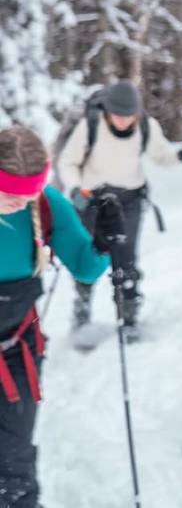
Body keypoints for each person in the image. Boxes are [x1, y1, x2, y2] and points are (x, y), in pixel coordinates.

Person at [0, 125, 125, 507]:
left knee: (14, 457)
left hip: (16, 348)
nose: (17, 205)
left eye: (26, 195)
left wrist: (104, 241)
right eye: (8, 194)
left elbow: (86, 267)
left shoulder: (45, 205)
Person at [56, 80, 182, 340]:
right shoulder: (90, 126)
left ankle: (128, 317)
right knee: (90, 254)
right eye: (117, 115)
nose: (122, 121)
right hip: (92, 199)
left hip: (128, 200)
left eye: (128, 115)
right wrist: (75, 189)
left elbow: (162, 156)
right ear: (107, 111)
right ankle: (82, 308)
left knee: (125, 258)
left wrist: (180, 156)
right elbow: (68, 162)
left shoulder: (145, 126)